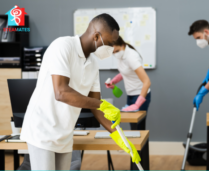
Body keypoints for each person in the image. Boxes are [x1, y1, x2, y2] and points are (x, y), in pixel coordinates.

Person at [20, 14, 140, 170]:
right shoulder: (62, 46)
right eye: (110, 43)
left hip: (65, 134)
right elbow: (61, 92)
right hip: (43, 130)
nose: (112, 49)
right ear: (96, 36)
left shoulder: (93, 64)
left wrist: (120, 137)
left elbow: (97, 108)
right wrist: (103, 105)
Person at [106, 36, 151, 130]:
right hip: (130, 95)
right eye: (113, 52)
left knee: (139, 130)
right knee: (134, 128)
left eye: (117, 51)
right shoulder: (121, 55)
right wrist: (114, 81)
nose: (115, 54)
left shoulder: (131, 57)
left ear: (122, 45)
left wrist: (137, 104)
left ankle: (141, 146)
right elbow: (126, 71)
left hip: (140, 95)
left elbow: (147, 82)